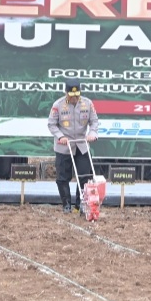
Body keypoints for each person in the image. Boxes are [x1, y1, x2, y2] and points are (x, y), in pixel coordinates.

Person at [48, 78, 99, 214]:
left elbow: (94, 121)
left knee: (84, 176)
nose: (74, 99)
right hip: (64, 146)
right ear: (66, 93)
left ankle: (80, 204)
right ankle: (66, 204)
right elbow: (51, 124)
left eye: (77, 96)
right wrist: (60, 136)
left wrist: (92, 133)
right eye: (71, 96)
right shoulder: (58, 105)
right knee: (62, 177)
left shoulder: (87, 103)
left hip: (82, 144)